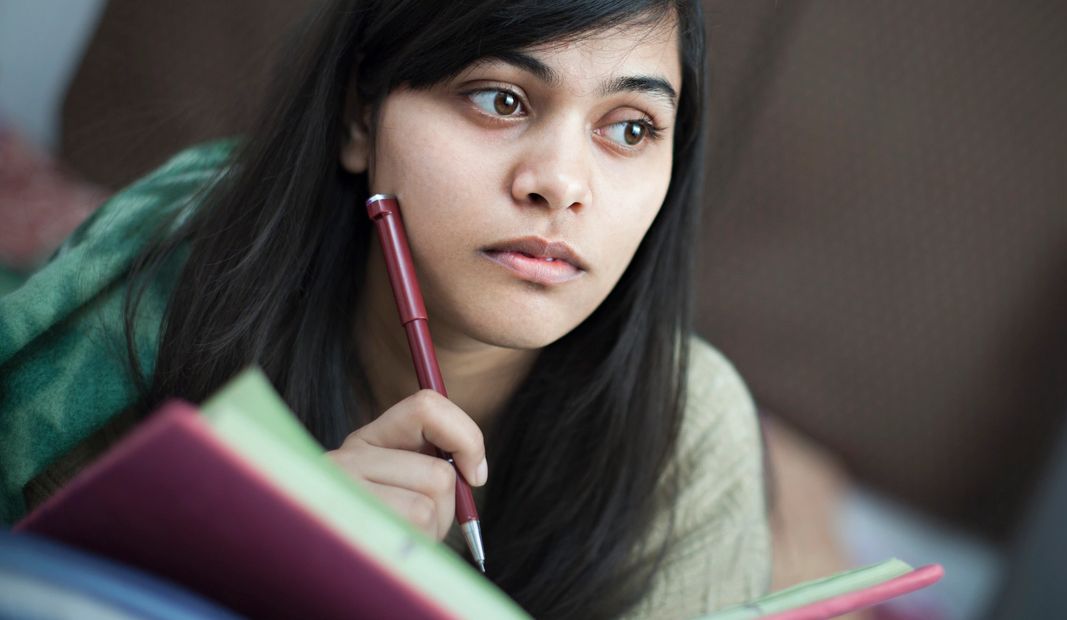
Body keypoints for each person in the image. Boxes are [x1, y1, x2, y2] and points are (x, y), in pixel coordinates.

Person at [0, 0, 770, 617]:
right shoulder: (162, 283)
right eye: (500, 98)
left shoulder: (688, 427)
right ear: (359, 119)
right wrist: (257, 565)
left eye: (631, 128)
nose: (561, 183)